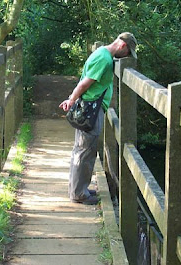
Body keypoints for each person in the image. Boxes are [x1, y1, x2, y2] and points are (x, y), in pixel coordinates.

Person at [59, 32, 137, 205]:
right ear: (123, 46)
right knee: (85, 151)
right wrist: (71, 99)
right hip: (91, 109)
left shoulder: (102, 53)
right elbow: (85, 83)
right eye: (128, 53)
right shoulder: (105, 59)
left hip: (90, 107)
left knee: (82, 150)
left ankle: (79, 189)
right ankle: (79, 193)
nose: (127, 57)